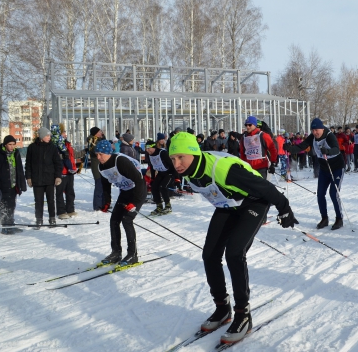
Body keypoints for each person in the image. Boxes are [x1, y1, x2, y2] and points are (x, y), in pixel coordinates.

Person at [168, 132, 297, 344]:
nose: (177, 163)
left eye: (181, 157)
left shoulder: (223, 169)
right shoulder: (190, 169)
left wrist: (284, 210)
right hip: (228, 204)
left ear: (193, 152)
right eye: (173, 159)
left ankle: (243, 314)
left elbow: (265, 187)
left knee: (235, 253)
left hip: (253, 202)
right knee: (209, 255)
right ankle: (222, 308)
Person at [285, 118, 344, 230]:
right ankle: (324, 218)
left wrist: (328, 151)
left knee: (333, 193)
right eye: (313, 130)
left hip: (336, 168)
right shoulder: (313, 137)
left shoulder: (329, 136)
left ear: (322, 128)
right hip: (324, 169)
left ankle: (339, 218)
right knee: (320, 194)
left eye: (317, 130)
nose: (314, 133)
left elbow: (336, 149)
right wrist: (290, 149)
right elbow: (301, 146)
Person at [96, 139, 146, 265]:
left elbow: (139, 181)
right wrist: (107, 202)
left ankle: (132, 255)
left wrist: (134, 202)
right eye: (97, 154)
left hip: (137, 190)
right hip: (125, 191)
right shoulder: (101, 166)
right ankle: (116, 252)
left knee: (127, 220)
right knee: (114, 220)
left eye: (101, 154)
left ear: (108, 153)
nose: (98, 157)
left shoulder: (120, 161)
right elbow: (105, 185)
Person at [25, 127, 63, 227]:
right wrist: (28, 177)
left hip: (50, 179)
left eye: (49, 135)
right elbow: (28, 164)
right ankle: (39, 219)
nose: (49, 137)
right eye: (47, 135)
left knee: (51, 200)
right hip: (36, 179)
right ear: (41, 136)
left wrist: (58, 176)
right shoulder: (32, 148)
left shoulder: (53, 148)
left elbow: (58, 163)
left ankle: (52, 219)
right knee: (38, 201)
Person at [0, 135, 27, 234]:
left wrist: (22, 184)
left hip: (13, 185)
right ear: (5, 144)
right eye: (10, 144)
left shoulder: (16, 154)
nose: (12, 146)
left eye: (13, 144)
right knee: (4, 206)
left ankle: (10, 224)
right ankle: (5, 226)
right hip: (2, 186)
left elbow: (19, 170)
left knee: (11, 205)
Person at [145, 134, 175, 216]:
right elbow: (151, 166)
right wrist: (153, 179)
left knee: (163, 187)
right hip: (161, 173)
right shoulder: (150, 155)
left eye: (149, 148)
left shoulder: (162, 153)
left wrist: (176, 177)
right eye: (146, 149)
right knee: (154, 187)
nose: (148, 150)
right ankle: (159, 206)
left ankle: (168, 206)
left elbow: (172, 165)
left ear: (154, 147)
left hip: (169, 173)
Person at [55, 127, 77, 219]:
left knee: (70, 191)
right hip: (62, 171)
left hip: (70, 171)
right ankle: (61, 211)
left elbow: (71, 156)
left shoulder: (67, 144)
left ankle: (70, 209)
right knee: (60, 192)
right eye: (63, 132)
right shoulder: (57, 144)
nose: (65, 134)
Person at [87, 126, 106, 211]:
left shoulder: (98, 140)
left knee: (104, 185)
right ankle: (97, 206)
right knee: (99, 185)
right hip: (97, 165)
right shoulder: (92, 141)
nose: (101, 132)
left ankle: (103, 204)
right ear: (95, 133)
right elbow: (96, 151)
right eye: (99, 132)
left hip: (102, 165)